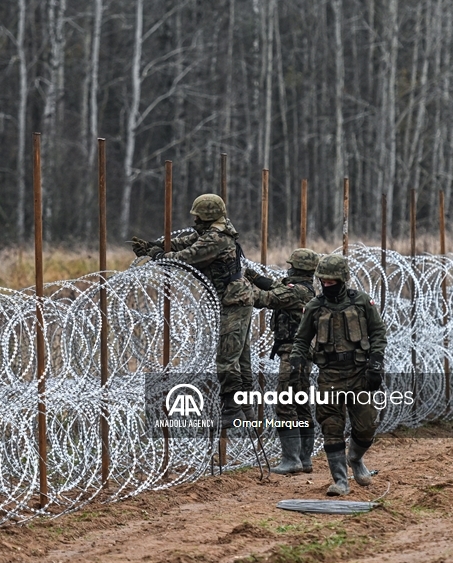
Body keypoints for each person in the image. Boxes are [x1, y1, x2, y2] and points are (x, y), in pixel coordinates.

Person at [131, 194, 252, 423]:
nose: (194, 220)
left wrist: (158, 255)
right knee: (239, 356)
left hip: (234, 301)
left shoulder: (215, 238)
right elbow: (184, 243)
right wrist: (154, 247)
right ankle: (245, 407)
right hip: (231, 299)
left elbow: (187, 257)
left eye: (197, 216)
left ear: (207, 216)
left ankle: (232, 408)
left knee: (227, 357)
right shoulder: (211, 233)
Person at [290, 254, 387, 496]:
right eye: (323, 281)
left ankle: (355, 458)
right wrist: (296, 361)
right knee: (331, 427)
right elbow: (301, 340)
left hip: (359, 374)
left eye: (332, 281)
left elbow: (378, 333)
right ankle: (340, 481)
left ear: (343, 279)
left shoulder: (362, 302)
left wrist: (376, 363)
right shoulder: (315, 306)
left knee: (366, 425)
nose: (327, 285)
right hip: (329, 377)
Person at [231, 248, 320, 473]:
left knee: (285, 405)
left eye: (291, 266)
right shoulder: (302, 289)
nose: (288, 269)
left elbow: (267, 298)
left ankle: (291, 460)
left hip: (293, 356)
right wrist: (253, 276)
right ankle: (304, 459)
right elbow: (275, 288)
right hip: (301, 355)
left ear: (297, 269)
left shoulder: (297, 292)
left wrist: (238, 286)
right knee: (300, 404)